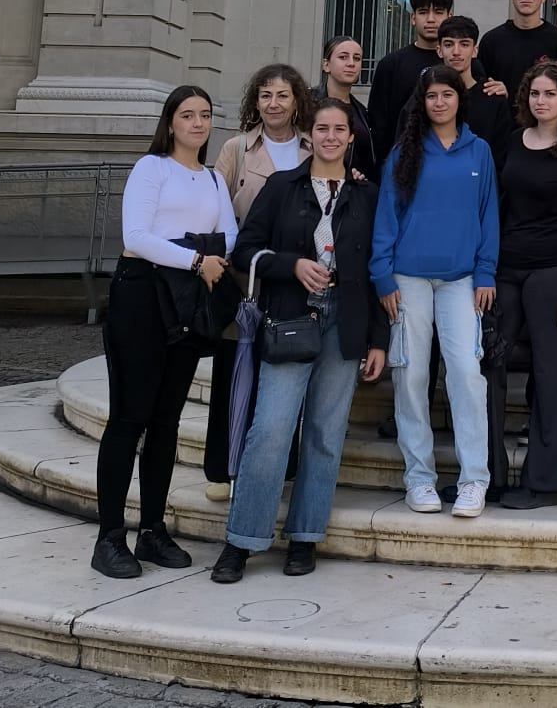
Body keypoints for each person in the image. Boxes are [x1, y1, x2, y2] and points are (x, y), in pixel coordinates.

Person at [210, 99, 388, 581]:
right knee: (271, 428)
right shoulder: (282, 186)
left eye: (339, 129)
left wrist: (378, 339)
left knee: (325, 434)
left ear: (351, 137)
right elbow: (245, 250)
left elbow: (379, 268)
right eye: (322, 129)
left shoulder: (367, 194)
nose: (331, 137)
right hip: (290, 316)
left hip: (345, 320)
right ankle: (242, 540)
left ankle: (305, 536)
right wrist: (291, 265)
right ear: (311, 135)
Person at [91, 85, 236, 579]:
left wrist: (203, 258)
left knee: (167, 420)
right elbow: (136, 237)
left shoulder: (213, 179)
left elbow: (231, 234)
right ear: (170, 122)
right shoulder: (150, 168)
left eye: (205, 115)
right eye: (187, 115)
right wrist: (196, 257)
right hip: (142, 295)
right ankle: (110, 536)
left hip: (188, 302)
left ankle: (152, 529)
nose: (197, 123)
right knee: (129, 417)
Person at [370, 66, 497, 517]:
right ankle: (419, 478)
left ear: (460, 99)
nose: (439, 103)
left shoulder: (479, 151)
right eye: (431, 96)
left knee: (465, 373)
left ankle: (473, 480)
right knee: (410, 376)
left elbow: (488, 214)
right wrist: (382, 276)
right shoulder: (404, 152)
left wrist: (486, 272)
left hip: (461, 279)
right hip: (408, 278)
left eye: (447, 94)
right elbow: (386, 216)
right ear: (421, 103)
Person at [487, 63, 557, 508]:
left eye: (550, 93)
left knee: (552, 373)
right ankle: (488, 475)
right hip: (506, 269)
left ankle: (546, 482)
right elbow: (497, 207)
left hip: (554, 270)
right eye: (535, 93)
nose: (541, 101)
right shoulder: (514, 142)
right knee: (488, 365)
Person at [204, 63, 314, 499]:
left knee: (286, 372)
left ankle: (280, 470)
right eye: (266, 95)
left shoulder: (312, 147)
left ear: (297, 100)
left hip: (294, 278)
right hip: (243, 278)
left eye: (282, 95)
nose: (274, 103)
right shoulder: (236, 149)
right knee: (234, 374)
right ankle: (224, 469)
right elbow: (214, 207)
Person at [366, 0, 456, 160]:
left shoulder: (460, 63)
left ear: (449, 17)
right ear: (412, 18)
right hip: (401, 161)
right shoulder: (390, 64)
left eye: (438, 12)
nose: (431, 19)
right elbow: (378, 125)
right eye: (423, 12)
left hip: (451, 160)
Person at [437, 16, 516, 175]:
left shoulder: (493, 100)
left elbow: (501, 158)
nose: (456, 52)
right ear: (439, 50)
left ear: (475, 51)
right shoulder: (428, 98)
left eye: (464, 44)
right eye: (449, 44)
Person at [315, 35, 379, 182]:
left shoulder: (362, 112)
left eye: (357, 58)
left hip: (352, 187)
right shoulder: (308, 103)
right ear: (326, 65)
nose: (351, 63)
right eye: (343, 57)